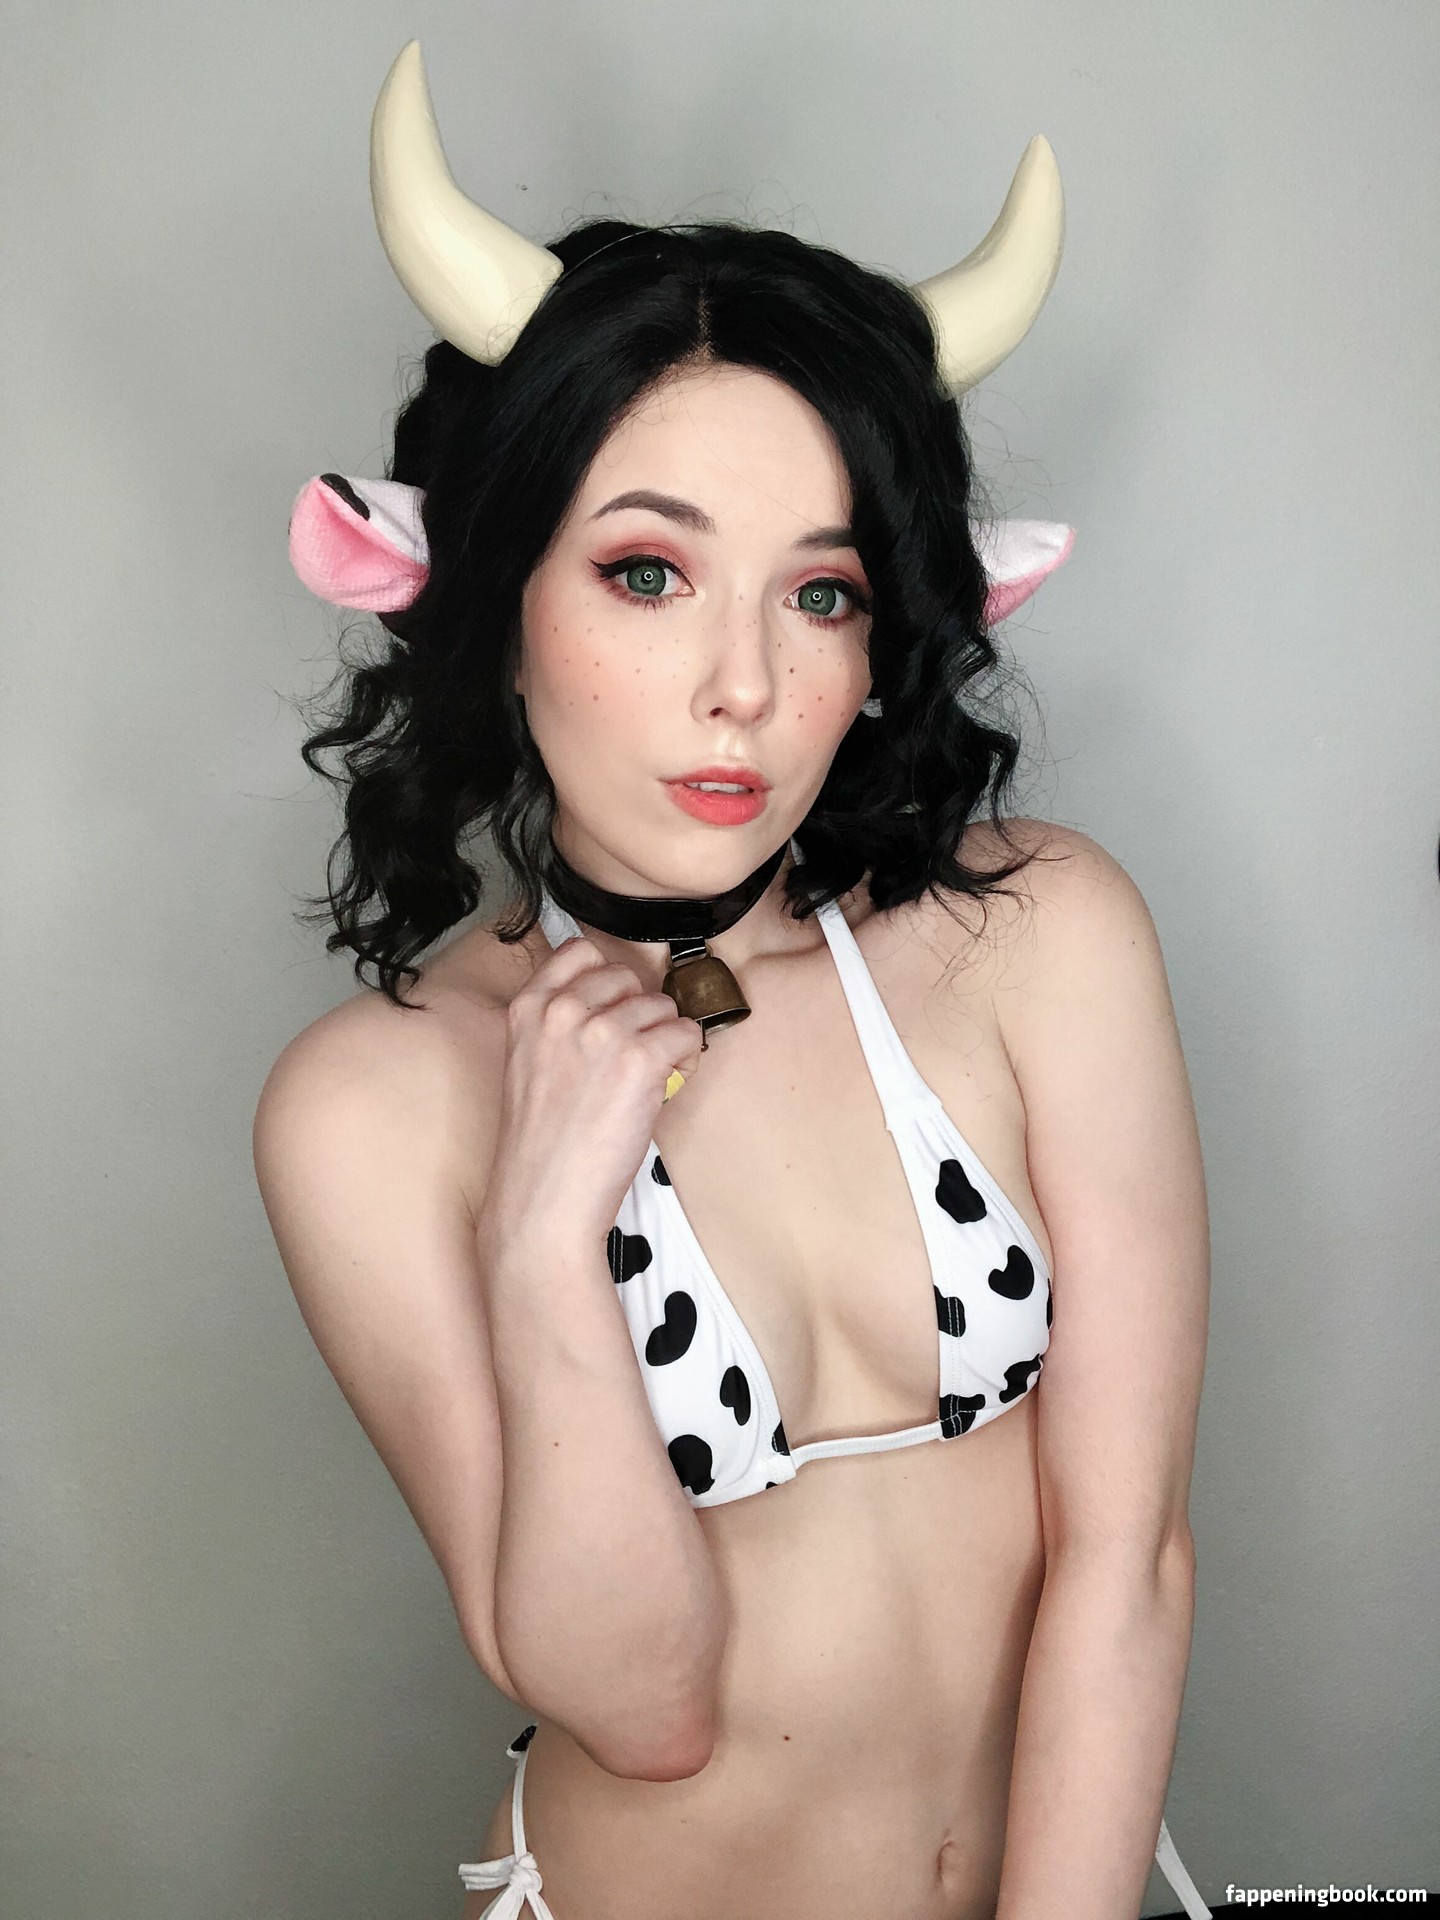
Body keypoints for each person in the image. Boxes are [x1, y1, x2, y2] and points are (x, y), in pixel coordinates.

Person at [255, 41, 1212, 1920]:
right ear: (495, 602)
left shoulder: (1041, 935)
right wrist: (547, 1239)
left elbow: (1131, 1562)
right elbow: (644, 1710)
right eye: (647, 573)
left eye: (821, 592)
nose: (746, 687)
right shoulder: (372, 1103)